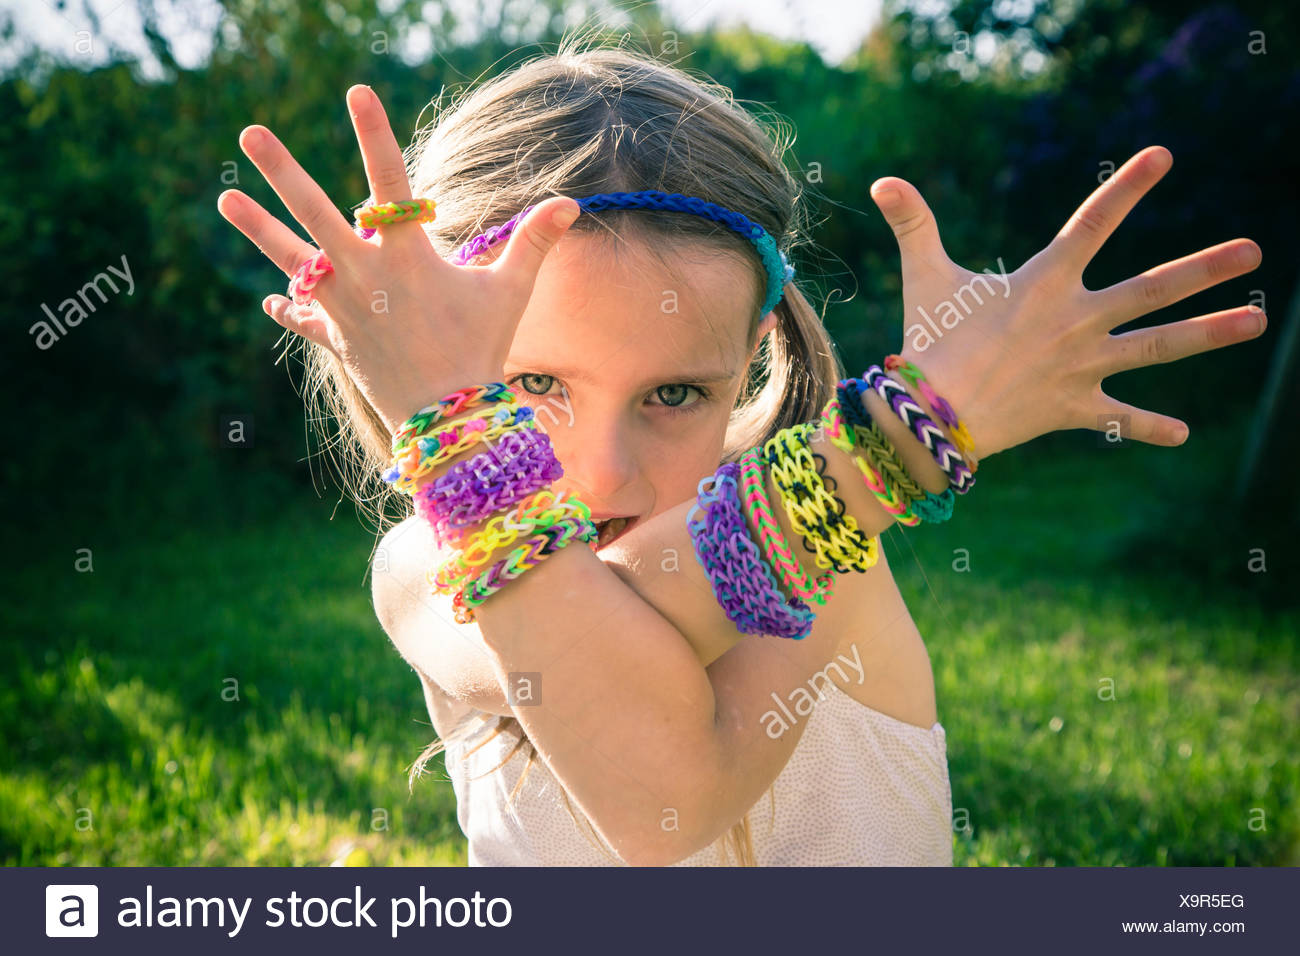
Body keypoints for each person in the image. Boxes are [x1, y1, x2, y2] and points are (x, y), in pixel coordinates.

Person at [216, 41, 1266, 866]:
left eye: (673, 393)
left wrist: (455, 412)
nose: (604, 475)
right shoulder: (418, 573)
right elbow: (607, 667)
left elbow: (659, 785)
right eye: (530, 386)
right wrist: (914, 427)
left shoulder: (831, 561)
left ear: (752, 356)